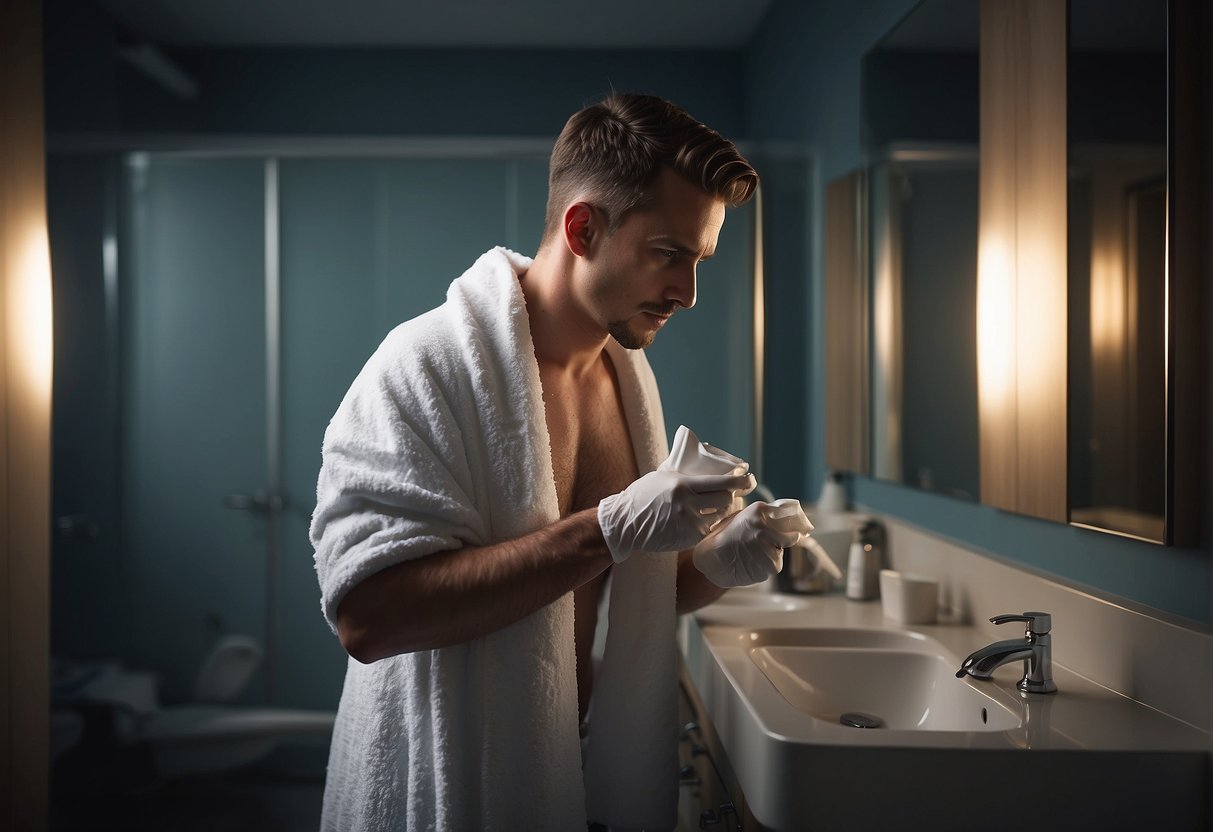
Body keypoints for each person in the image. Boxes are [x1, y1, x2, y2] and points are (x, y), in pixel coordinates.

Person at [310, 92, 811, 832]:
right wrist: (606, 529)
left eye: (698, 261)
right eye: (669, 255)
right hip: (456, 783)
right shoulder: (424, 368)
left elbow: (609, 592)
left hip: (565, 775)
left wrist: (712, 565)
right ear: (583, 227)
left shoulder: (625, 374)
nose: (688, 293)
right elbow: (367, 618)